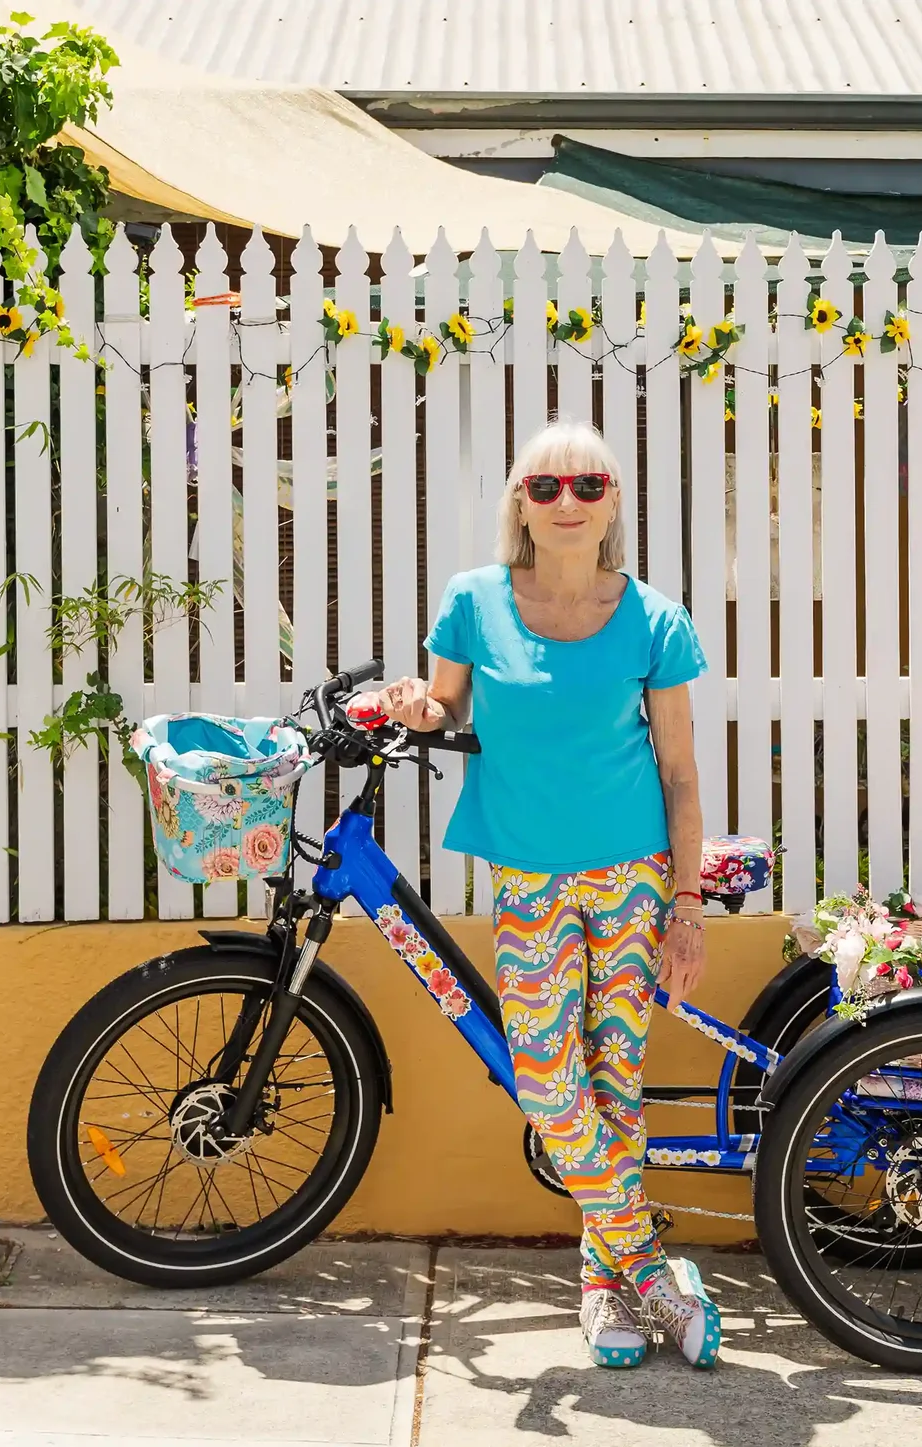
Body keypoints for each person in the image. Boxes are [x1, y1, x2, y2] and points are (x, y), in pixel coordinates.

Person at [358, 419, 721, 1370]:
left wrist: (687, 907)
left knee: (614, 1082)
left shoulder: (653, 617)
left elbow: (680, 775)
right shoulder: (473, 602)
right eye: (546, 487)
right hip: (527, 875)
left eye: (587, 486)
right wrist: (413, 706)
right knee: (550, 1086)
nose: (567, 502)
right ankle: (648, 1265)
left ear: (613, 502)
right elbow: (447, 707)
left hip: (635, 878)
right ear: (520, 501)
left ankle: (604, 1288)